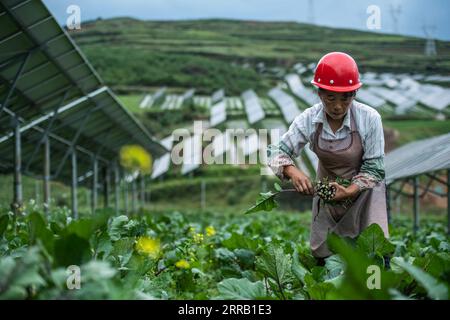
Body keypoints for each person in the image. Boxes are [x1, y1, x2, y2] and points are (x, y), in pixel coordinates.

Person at [267, 52, 389, 260]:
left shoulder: (369, 118)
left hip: (365, 195)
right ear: (319, 93)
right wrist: (293, 171)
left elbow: (375, 167)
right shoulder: (308, 119)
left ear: (355, 94)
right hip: (328, 194)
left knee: (372, 253)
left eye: (346, 98)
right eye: (331, 97)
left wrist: (350, 190)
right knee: (325, 255)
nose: (338, 106)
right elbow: (275, 152)